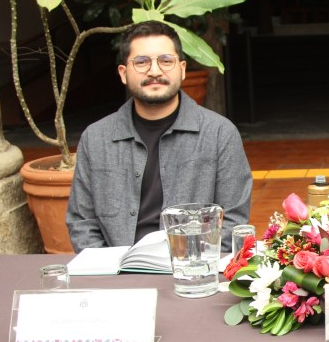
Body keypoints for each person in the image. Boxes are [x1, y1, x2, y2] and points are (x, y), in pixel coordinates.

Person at [67, 21, 252, 252]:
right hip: (116, 268)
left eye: (165, 61)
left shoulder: (219, 134)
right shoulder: (96, 138)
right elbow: (82, 222)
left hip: (194, 267)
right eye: (141, 62)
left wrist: (192, 264)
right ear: (123, 73)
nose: (154, 71)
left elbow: (233, 222)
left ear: (182, 69)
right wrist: (111, 268)